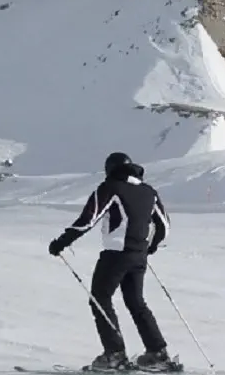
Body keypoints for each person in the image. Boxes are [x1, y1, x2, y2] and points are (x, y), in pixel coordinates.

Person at [47, 152, 173, 372]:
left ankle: (114, 354)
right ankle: (157, 353)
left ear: (110, 169)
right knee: (136, 301)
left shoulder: (110, 187)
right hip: (138, 255)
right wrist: (149, 247)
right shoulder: (149, 192)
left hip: (116, 254)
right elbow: (164, 226)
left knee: (100, 298)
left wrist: (61, 242)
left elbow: (88, 219)